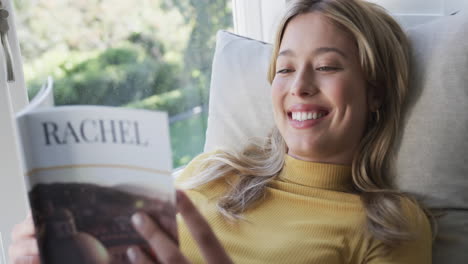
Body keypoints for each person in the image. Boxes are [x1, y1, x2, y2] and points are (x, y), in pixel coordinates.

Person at [9, 0, 433, 263]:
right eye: (284, 69)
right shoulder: (213, 171)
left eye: (325, 67)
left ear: (374, 93)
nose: (299, 86)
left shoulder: (389, 224)